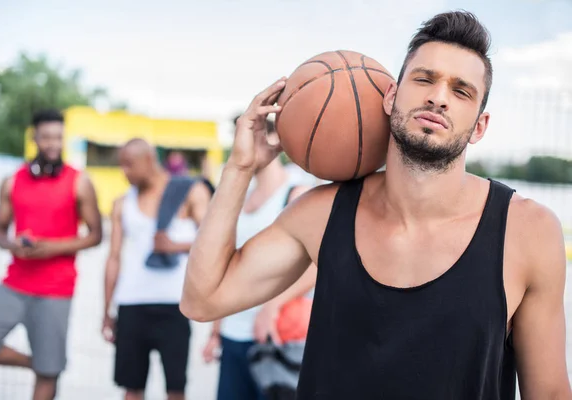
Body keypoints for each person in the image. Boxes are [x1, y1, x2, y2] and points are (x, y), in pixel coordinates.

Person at [180, 11, 572, 400]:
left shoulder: (527, 231)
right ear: (390, 96)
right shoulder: (323, 213)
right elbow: (203, 298)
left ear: (480, 126)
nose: (438, 97)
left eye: (461, 91)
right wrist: (239, 168)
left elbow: (550, 392)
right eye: (424, 79)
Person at [0, 109, 102, 400]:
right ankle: (41, 365)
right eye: (46, 137)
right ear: (34, 138)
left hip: (57, 290)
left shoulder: (79, 182)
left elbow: (96, 236)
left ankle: (47, 367)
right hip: (15, 283)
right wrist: (11, 245)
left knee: (49, 373)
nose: (53, 144)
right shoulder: (13, 181)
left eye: (58, 137)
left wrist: (50, 247)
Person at [198, 116, 316, 400]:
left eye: (252, 135)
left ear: (274, 138)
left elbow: (317, 264)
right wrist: (216, 330)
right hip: (234, 333)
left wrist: (272, 307)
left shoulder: (296, 192)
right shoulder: (242, 196)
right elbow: (226, 266)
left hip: (276, 335)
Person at [102, 138, 211, 400]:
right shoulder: (121, 203)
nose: (124, 172)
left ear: (149, 160)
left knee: (175, 388)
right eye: (121, 165)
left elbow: (214, 243)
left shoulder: (190, 192)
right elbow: (113, 258)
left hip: (174, 305)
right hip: (131, 304)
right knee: (131, 387)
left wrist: (176, 246)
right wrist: (106, 310)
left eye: (129, 165)